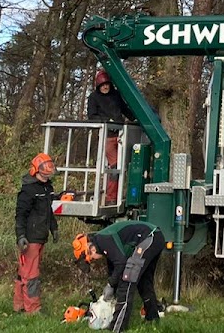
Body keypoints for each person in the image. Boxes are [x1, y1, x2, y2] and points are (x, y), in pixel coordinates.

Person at [74, 223, 166, 329]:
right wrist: (112, 287)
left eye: (92, 259)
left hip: (149, 237)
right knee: (144, 281)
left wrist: (110, 285)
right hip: (155, 236)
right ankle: (152, 319)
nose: (94, 260)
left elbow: (121, 263)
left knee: (126, 282)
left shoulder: (104, 240)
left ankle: (117, 327)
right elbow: (114, 269)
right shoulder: (102, 243)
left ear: (92, 249)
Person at [14, 152, 59, 313]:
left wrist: (54, 228)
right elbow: (20, 215)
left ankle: (19, 305)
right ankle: (33, 309)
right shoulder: (28, 191)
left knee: (24, 272)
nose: (48, 173)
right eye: (46, 170)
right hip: (30, 237)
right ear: (36, 170)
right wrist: (21, 235)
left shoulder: (47, 188)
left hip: (41, 236)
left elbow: (49, 211)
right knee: (31, 275)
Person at [87, 68, 133, 203]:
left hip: (121, 135)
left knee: (127, 165)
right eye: (102, 85)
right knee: (115, 166)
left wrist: (136, 118)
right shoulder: (93, 98)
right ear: (98, 86)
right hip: (106, 136)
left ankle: (121, 194)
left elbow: (125, 110)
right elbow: (92, 116)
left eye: (107, 84)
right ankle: (111, 197)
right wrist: (107, 121)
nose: (105, 87)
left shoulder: (116, 95)